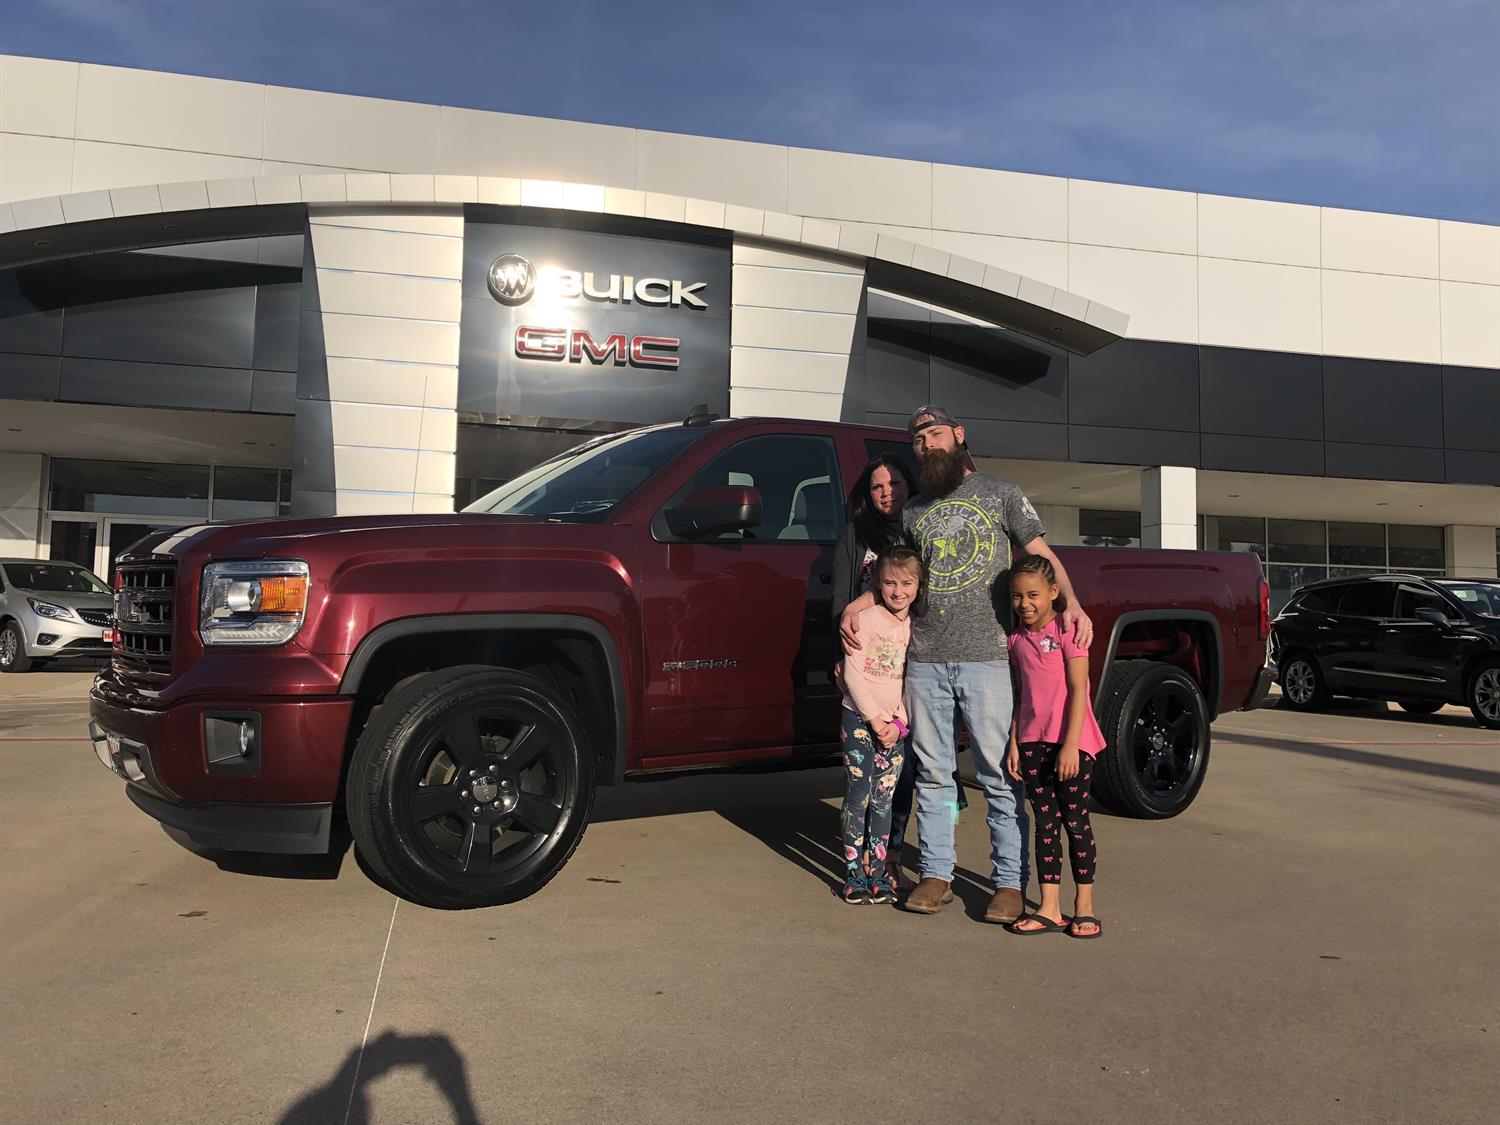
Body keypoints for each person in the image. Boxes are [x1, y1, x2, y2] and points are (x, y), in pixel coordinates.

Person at [841, 404, 1093, 923]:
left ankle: (1007, 881)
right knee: (934, 773)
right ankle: (936, 874)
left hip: (988, 658)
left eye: (935, 434)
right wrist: (855, 606)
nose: (927, 445)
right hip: (927, 660)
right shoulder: (913, 513)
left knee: (1000, 773)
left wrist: (1074, 604)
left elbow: (1041, 552)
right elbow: (896, 578)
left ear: (958, 434)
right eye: (918, 440)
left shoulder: (999, 492)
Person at [830, 453, 958, 892]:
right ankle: (858, 867)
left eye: (896, 483)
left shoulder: (922, 528)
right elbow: (844, 605)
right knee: (864, 784)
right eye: (878, 486)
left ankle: (891, 858)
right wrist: (842, 650)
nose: (887, 492)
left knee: (901, 778)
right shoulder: (854, 535)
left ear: (911, 484)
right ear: (867, 493)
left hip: (911, 663)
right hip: (864, 663)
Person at [1004, 555, 1105, 938]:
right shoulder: (1015, 640)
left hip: (1071, 744)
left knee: (1076, 823)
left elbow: (1080, 690)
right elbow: (1021, 695)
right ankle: (1049, 907)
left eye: (1033, 595)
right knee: (1045, 825)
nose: (1024, 604)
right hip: (1031, 743)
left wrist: (1070, 745)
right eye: (1016, 596)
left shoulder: (1068, 633)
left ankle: (1084, 907)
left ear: (1053, 593)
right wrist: (1014, 742)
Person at [837, 546, 923, 904]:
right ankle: (854, 873)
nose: (898, 591)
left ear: (919, 585)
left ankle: (879, 873)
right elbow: (852, 673)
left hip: (894, 730)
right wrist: (874, 718)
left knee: (884, 802)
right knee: (859, 795)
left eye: (906, 583)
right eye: (889, 583)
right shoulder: (867, 619)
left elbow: (915, 681)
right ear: (877, 583)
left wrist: (899, 722)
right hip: (858, 720)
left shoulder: (916, 628)